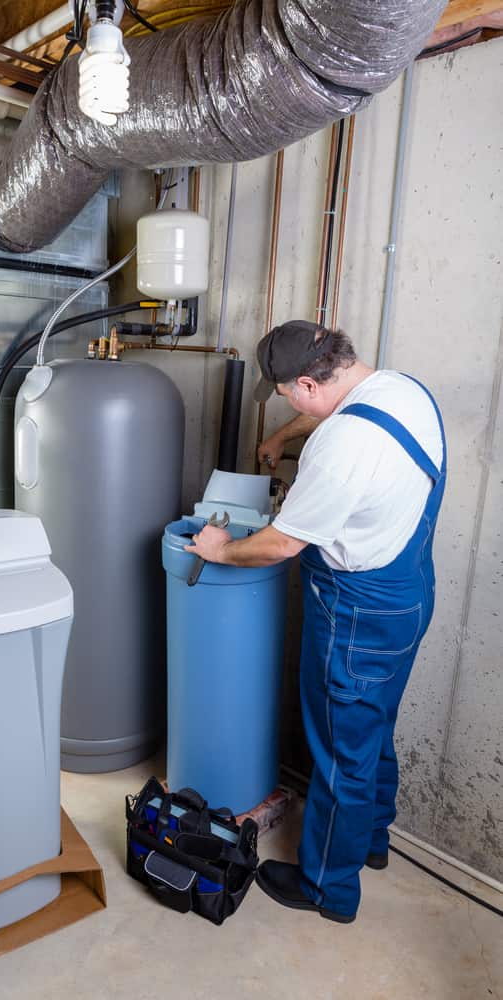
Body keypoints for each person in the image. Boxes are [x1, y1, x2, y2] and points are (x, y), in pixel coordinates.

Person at [185, 320, 446, 924]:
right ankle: (373, 839)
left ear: (309, 380)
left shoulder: (340, 448)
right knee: (371, 727)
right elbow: (336, 412)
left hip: (357, 613)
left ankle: (327, 886)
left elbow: (279, 546)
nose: (284, 400)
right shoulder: (401, 390)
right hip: (407, 594)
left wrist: (220, 549)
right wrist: (283, 434)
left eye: (284, 393)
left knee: (339, 752)